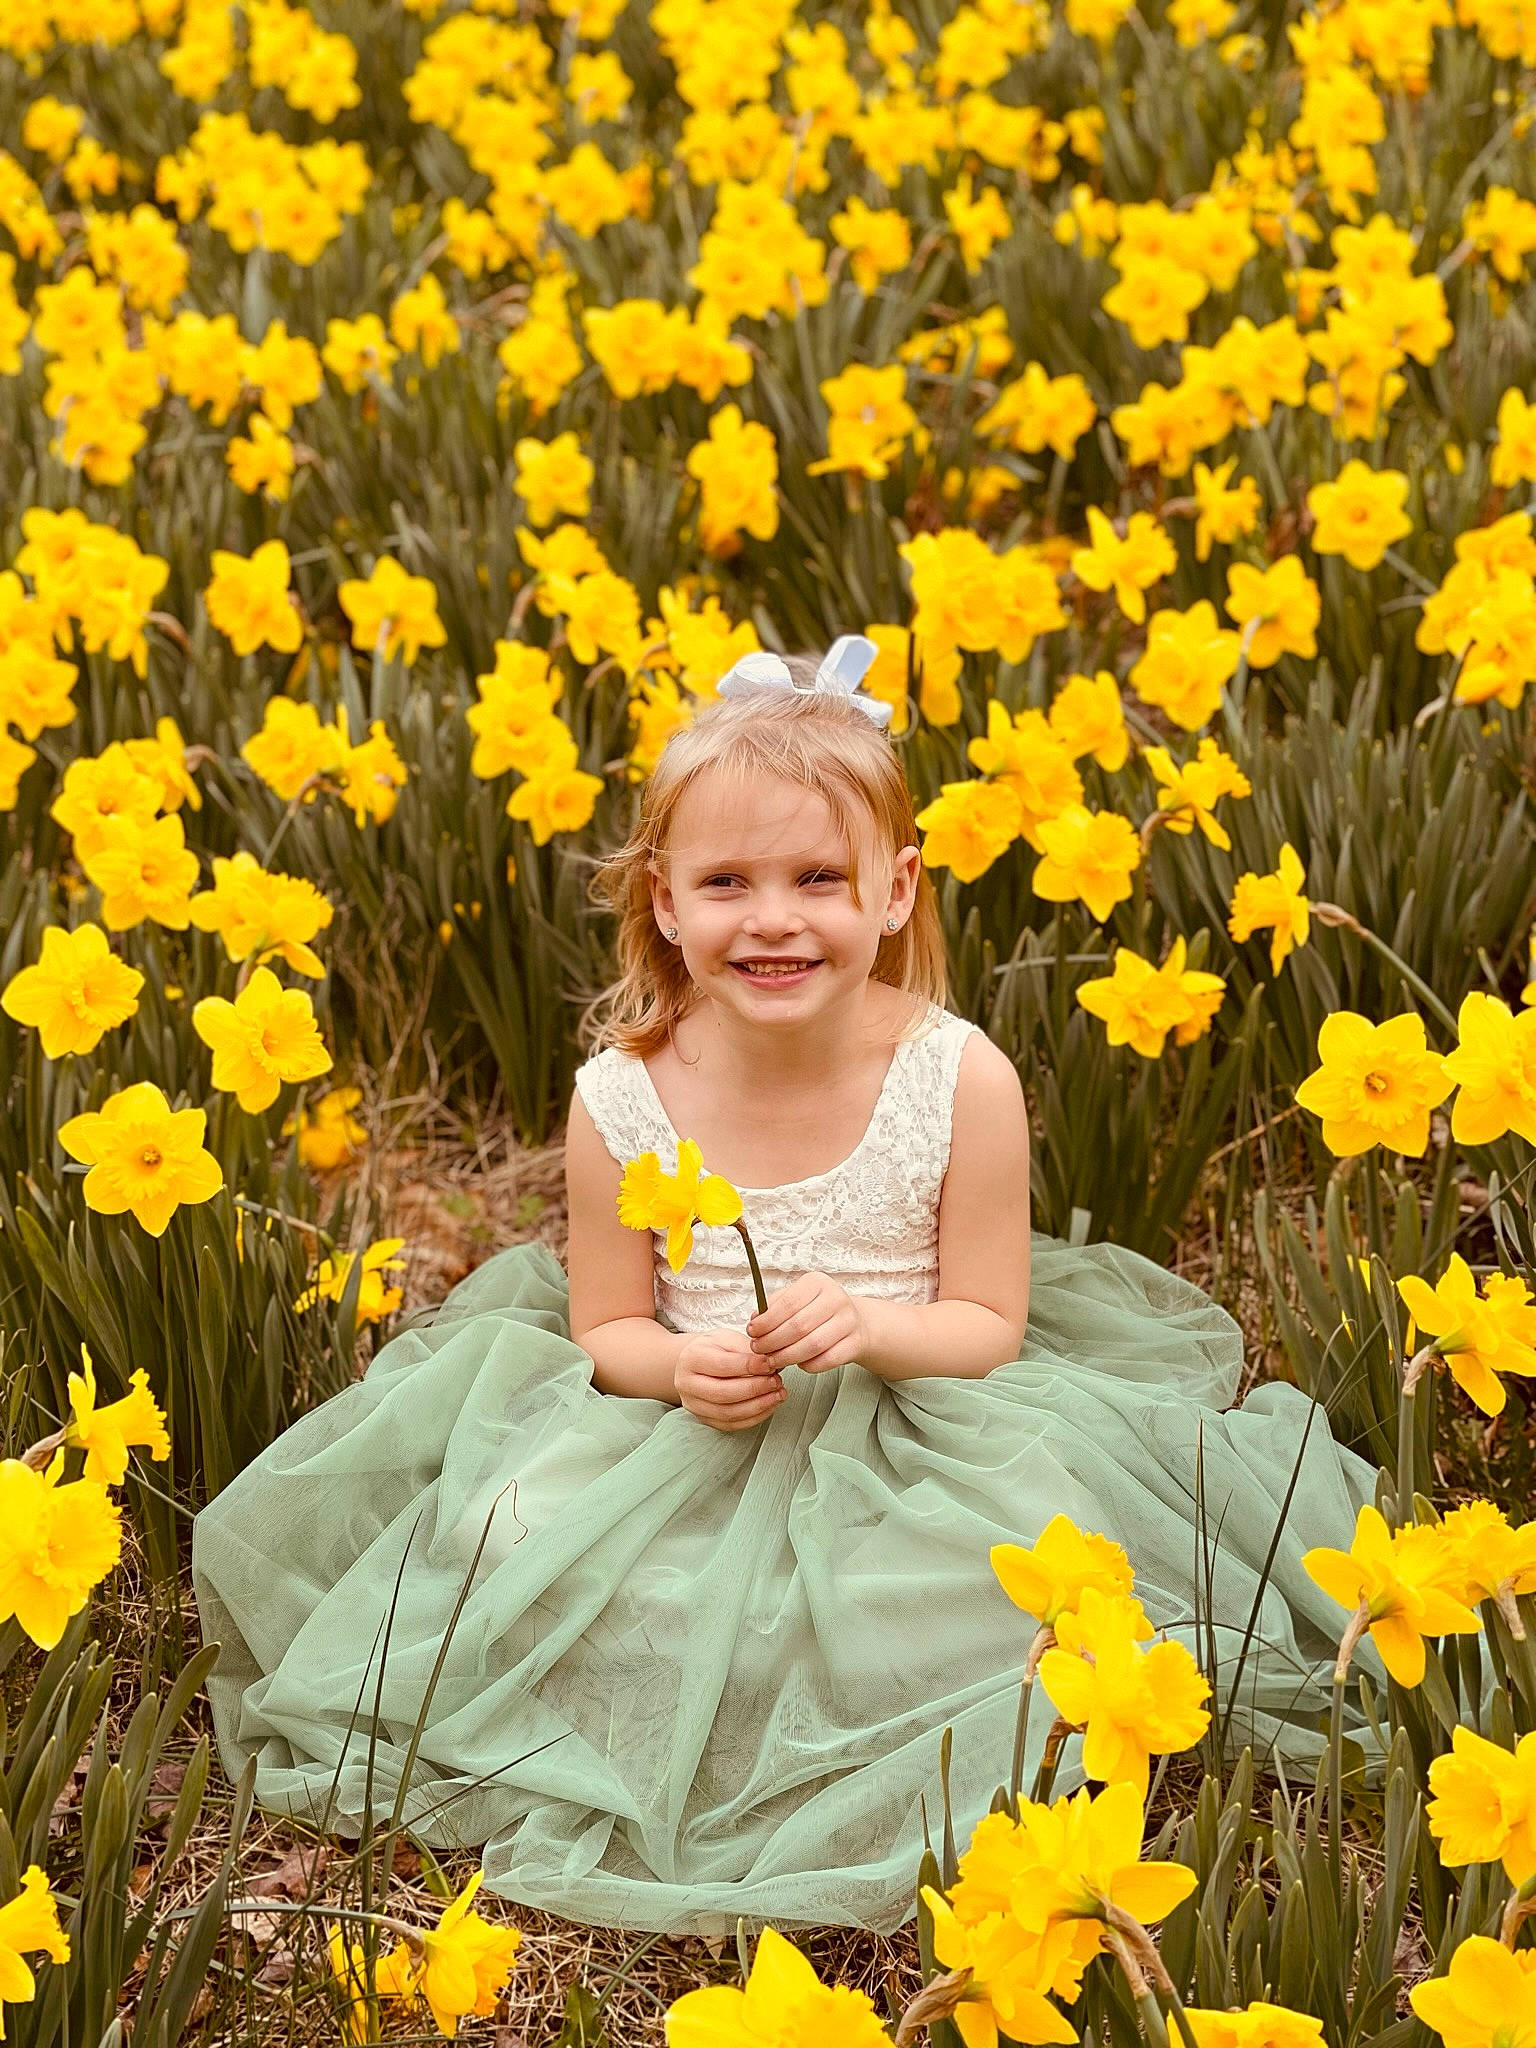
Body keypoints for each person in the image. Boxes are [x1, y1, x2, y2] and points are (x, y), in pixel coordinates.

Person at [191, 637, 1376, 1939]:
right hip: (684, 1426)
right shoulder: (622, 1099)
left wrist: (872, 1327)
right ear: (662, 898)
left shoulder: (959, 1079)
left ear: (896, 888)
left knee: (999, 1578)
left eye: (820, 877)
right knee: (502, 1532)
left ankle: (830, 1698)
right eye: (727, 882)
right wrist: (677, 1367)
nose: (772, 917)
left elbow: (989, 1322)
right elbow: (605, 1327)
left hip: (922, 1413)